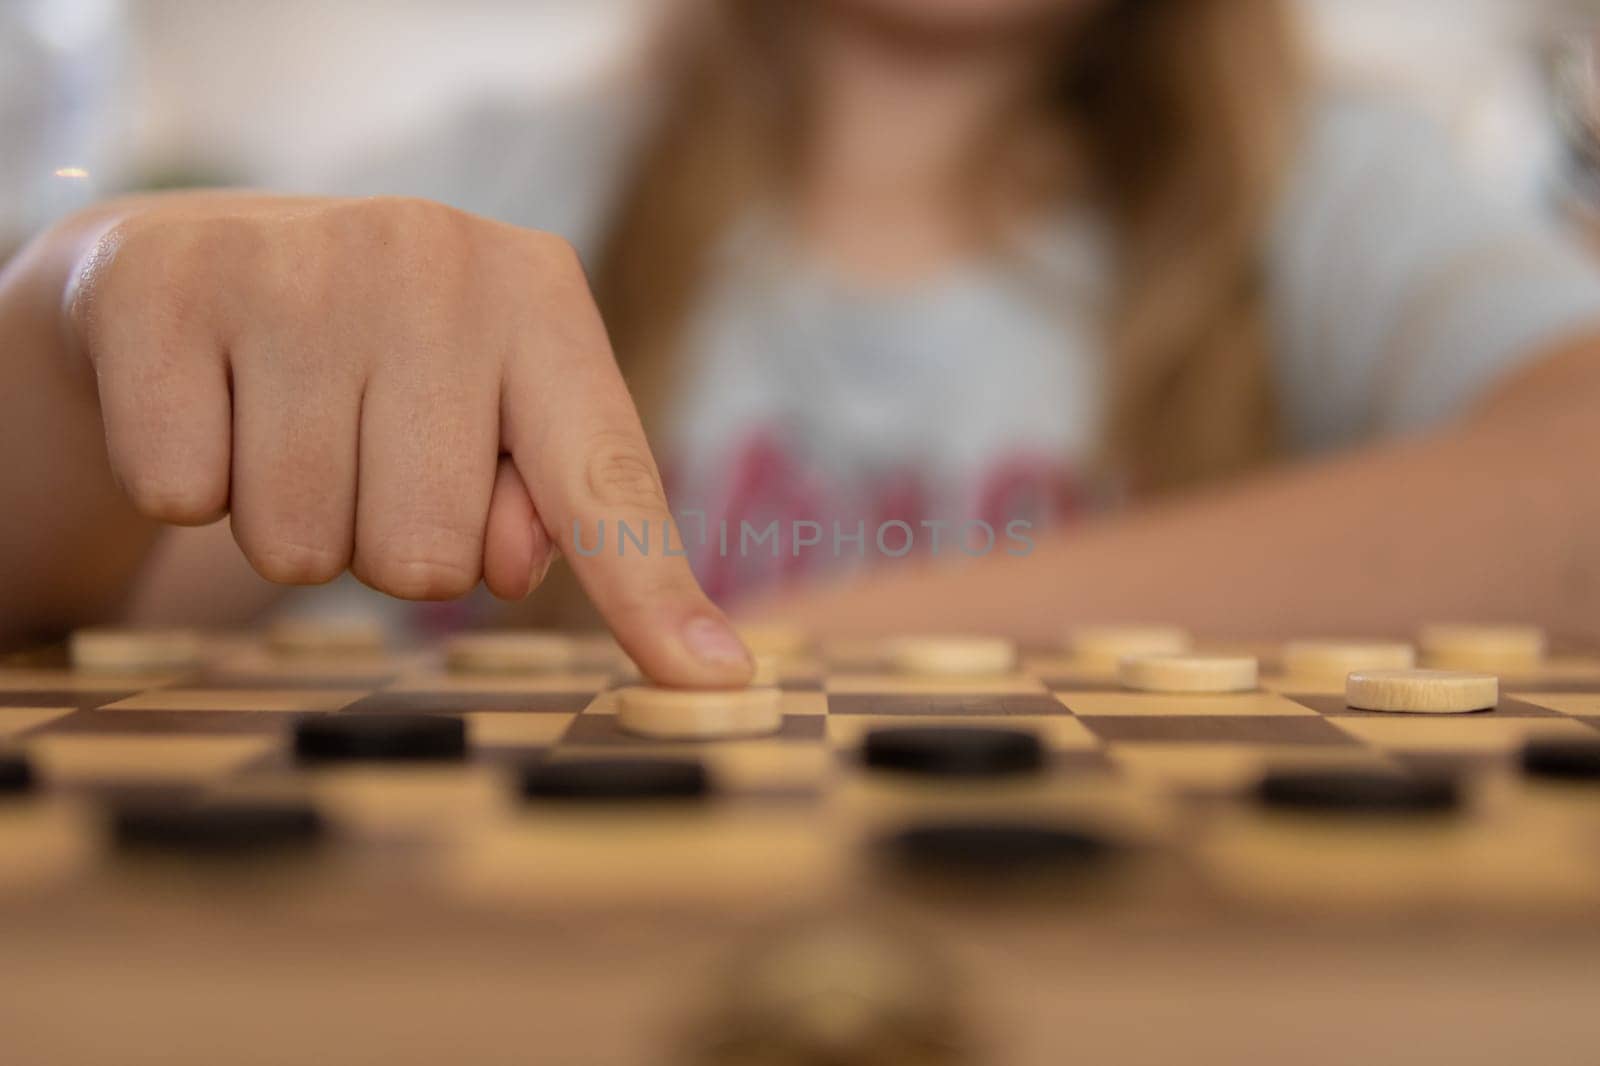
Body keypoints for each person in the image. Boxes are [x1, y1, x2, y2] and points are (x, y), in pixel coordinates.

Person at [3, 0, 1600, 687]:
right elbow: (79, 567)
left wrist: (826, 642)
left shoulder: (1330, 194)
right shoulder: (498, 183)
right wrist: (74, 310)